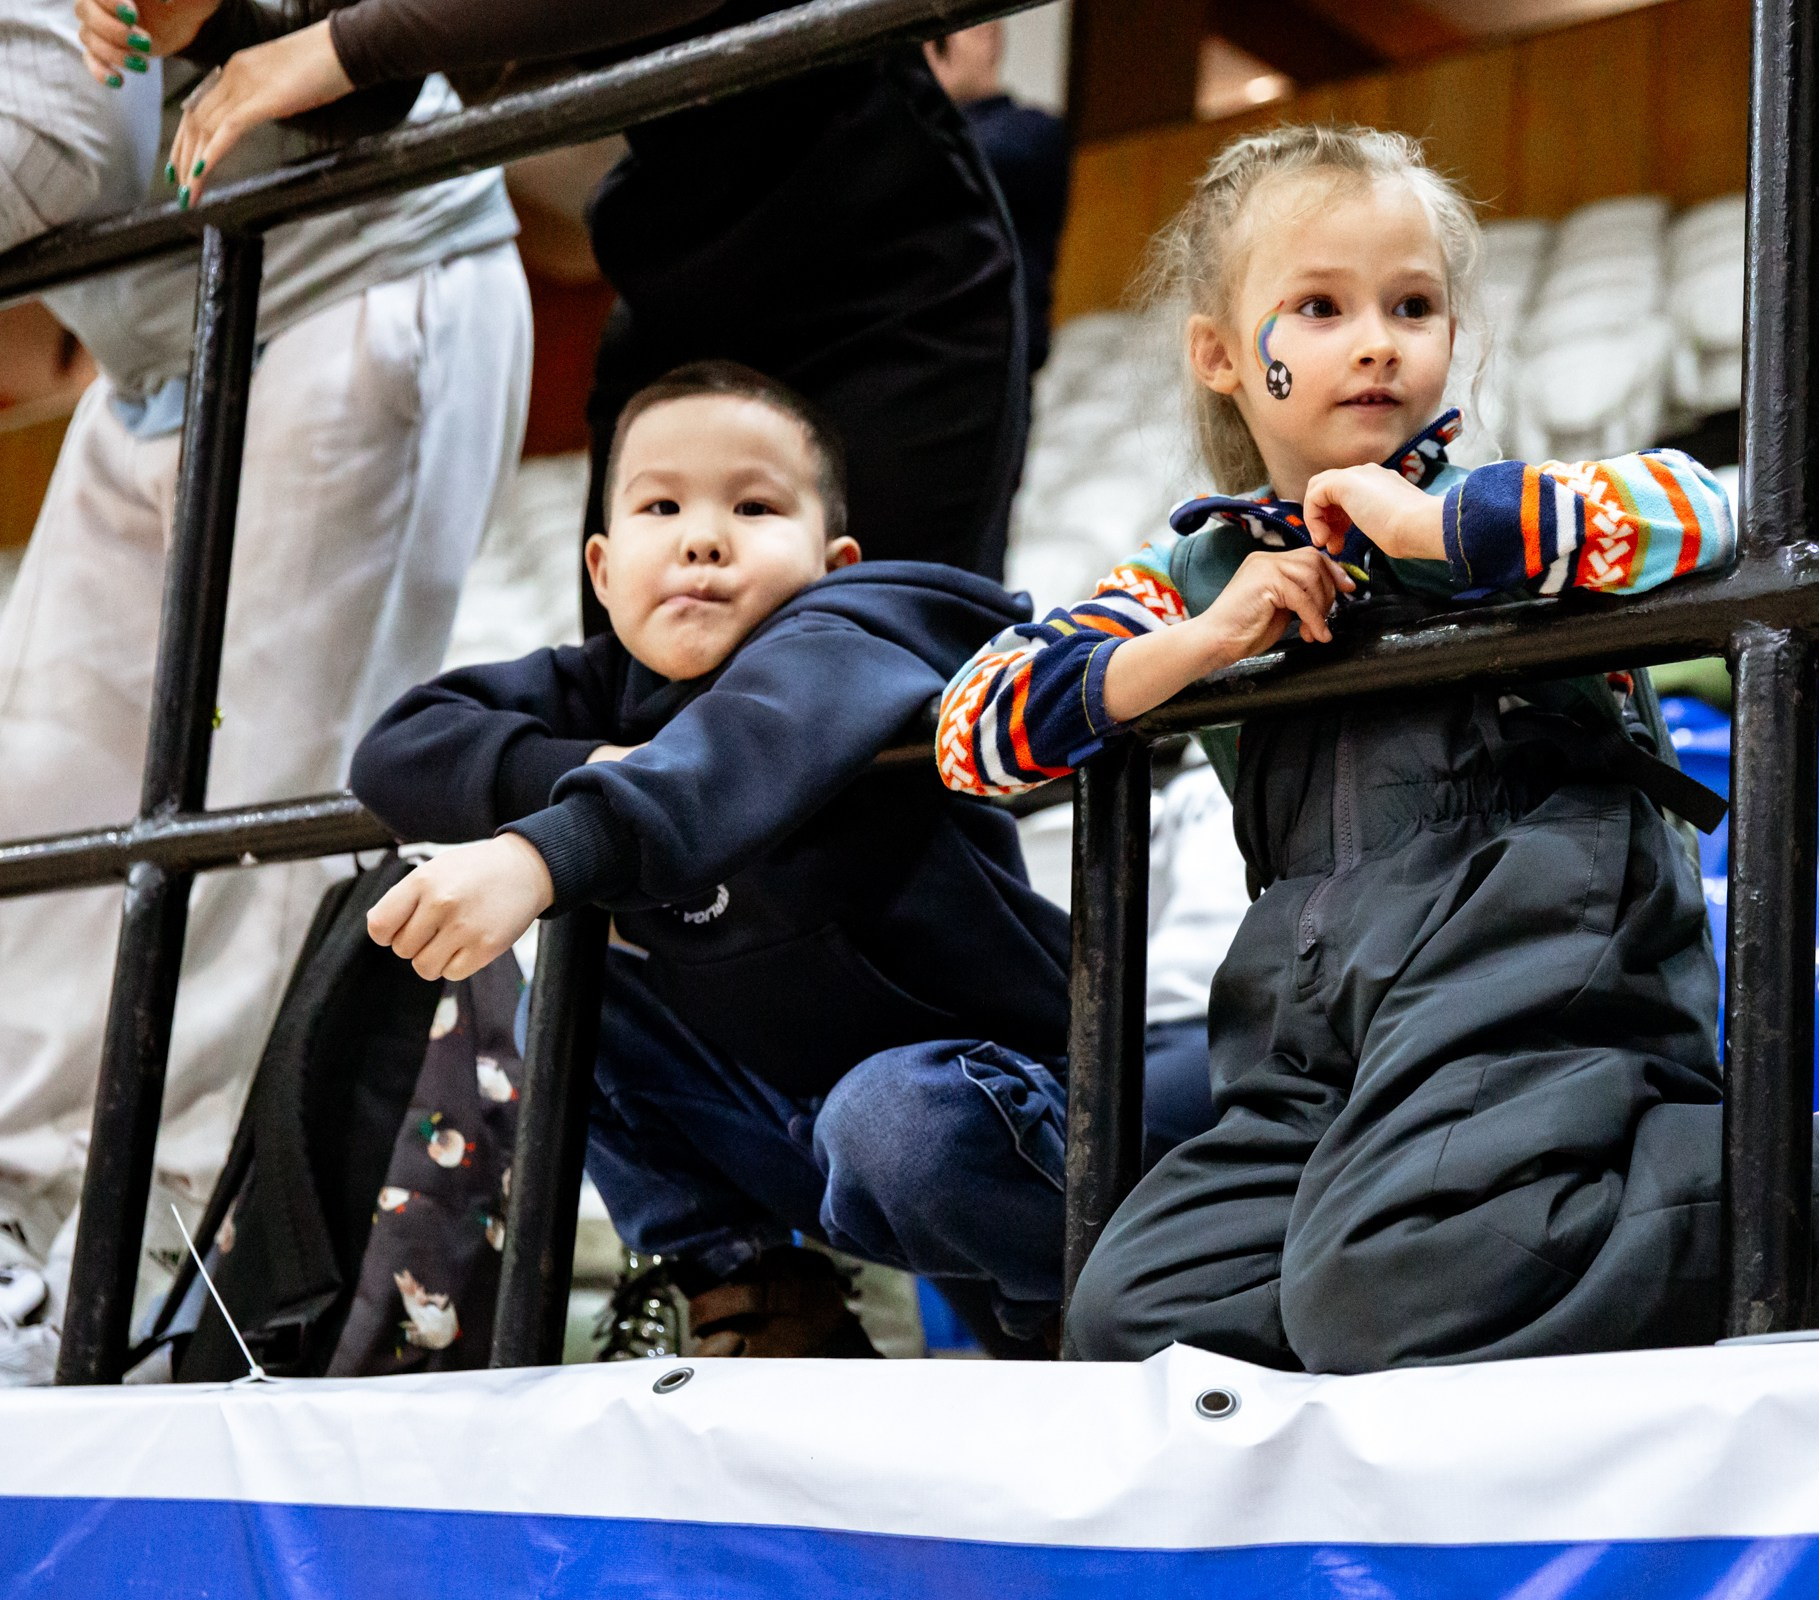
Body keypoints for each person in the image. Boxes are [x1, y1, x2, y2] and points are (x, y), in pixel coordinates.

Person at [938, 124, 1819, 1374]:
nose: (1374, 340)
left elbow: (1713, 510)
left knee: (1384, 1284)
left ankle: (1806, 1182)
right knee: (1136, 1313)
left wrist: (1447, 528)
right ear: (1222, 354)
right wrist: (1199, 645)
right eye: (1319, 305)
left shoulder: (1518, 509)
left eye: (1413, 304)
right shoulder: (1192, 575)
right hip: (1316, 1002)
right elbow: (974, 733)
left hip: (1535, 950)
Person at [349, 362, 1181, 1356]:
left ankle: (1082, 1318)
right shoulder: (606, 689)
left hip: (1011, 1113)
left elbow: (738, 749)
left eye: (753, 504)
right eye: (662, 505)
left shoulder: (859, 628)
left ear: (836, 559)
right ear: (604, 569)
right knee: (574, 1002)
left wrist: (544, 849)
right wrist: (603, 766)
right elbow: (396, 748)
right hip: (810, 1135)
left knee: (890, 1124)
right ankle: (757, 1291)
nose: (703, 535)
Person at [0, 0, 528, 1384]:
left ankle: (157, 1273)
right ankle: (20, 1234)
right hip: (158, 333)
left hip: (363, 266)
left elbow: (45, 138)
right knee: (41, 792)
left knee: (255, 819)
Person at [82, 0, 1030, 585]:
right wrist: (214, 26)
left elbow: (364, 46)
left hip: (881, 275)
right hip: (683, 285)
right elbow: (389, 79)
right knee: (640, 723)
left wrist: (335, 44)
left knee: (887, 733)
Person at [925, 22, 1068, 371]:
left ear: (986, 34)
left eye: (939, 41)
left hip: (996, 363)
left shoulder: (1031, 133)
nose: (926, 56)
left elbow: (946, 165)